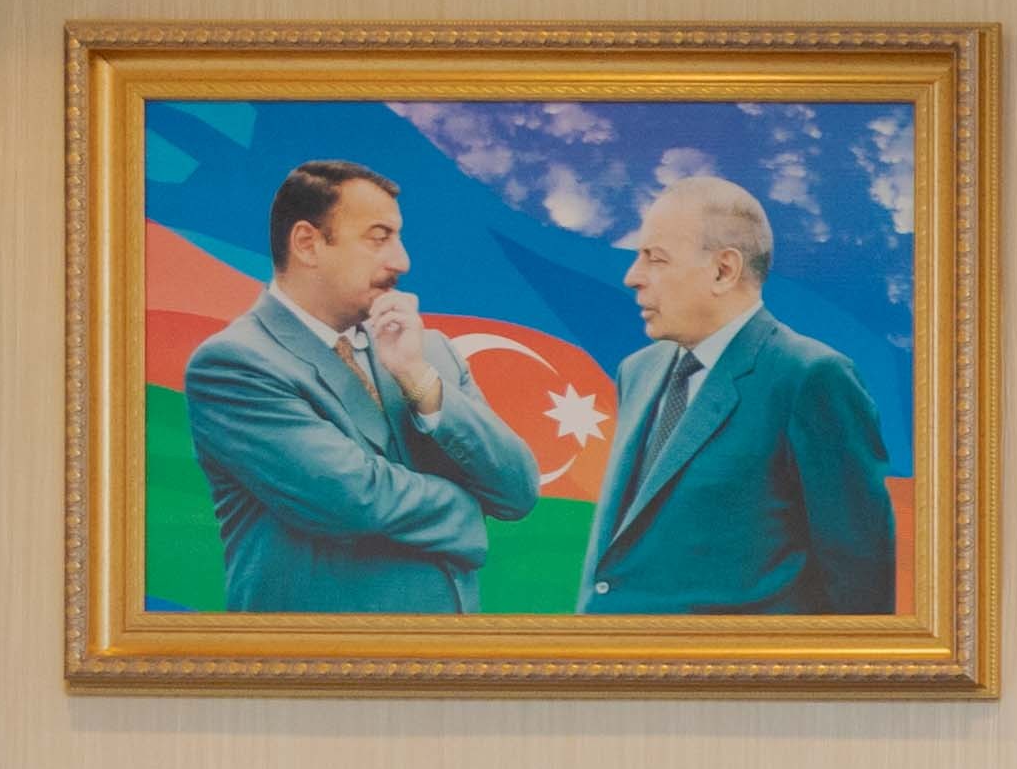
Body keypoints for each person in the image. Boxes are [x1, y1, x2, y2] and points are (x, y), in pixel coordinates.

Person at [180, 158, 542, 612]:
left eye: (398, 238)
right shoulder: (236, 365)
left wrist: (418, 381)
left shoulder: (428, 352)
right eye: (378, 238)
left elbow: (517, 490)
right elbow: (353, 499)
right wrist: (468, 509)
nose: (402, 261)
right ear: (308, 244)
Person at [579, 172, 903, 617]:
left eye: (656, 259)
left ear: (723, 270)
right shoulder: (638, 371)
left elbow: (859, 580)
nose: (632, 277)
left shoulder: (810, 377)